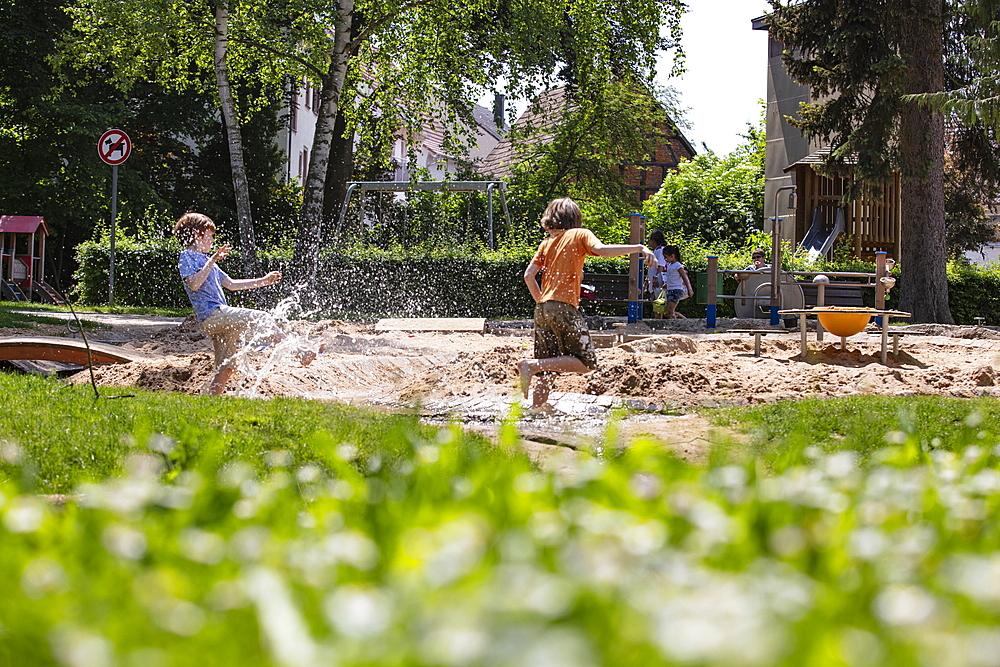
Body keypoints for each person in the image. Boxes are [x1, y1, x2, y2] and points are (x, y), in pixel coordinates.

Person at [517, 197, 656, 408]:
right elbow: (601, 250)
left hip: (542, 308)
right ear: (575, 218)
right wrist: (639, 248)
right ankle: (530, 365)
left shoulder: (546, 243)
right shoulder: (580, 234)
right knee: (586, 362)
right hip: (564, 307)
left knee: (549, 368)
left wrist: (543, 302)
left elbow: (529, 276)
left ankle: (536, 410)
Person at [174, 212, 320, 395]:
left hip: (219, 320)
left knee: (227, 367)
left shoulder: (206, 260)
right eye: (210, 236)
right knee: (262, 317)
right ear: (197, 235)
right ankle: (299, 352)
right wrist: (211, 260)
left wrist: (264, 280)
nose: (212, 240)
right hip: (212, 315)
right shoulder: (187, 256)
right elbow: (194, 284)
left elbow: (231, 285)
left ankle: (211, 401)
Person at [659, 245, 694, 319]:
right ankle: (684, 321)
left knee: (670, 311)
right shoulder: (671, 265)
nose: (665, 259)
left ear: (672, 256)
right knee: (668, 312)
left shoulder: (678, 265)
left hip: (676, 290)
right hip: (670, 289)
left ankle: (679, 323)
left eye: (666, 257)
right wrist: (667, 284)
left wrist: (689, 289)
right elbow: (672, 278)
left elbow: (684, 278)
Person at [645, 229, 667, 298]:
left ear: (653, 240)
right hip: (654, 286)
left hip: (658, 285)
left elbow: (661, 266)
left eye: (649, 238)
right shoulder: (656, 251)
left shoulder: (660, 250)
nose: (648, 240)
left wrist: (656, 278)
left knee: (659, 305)